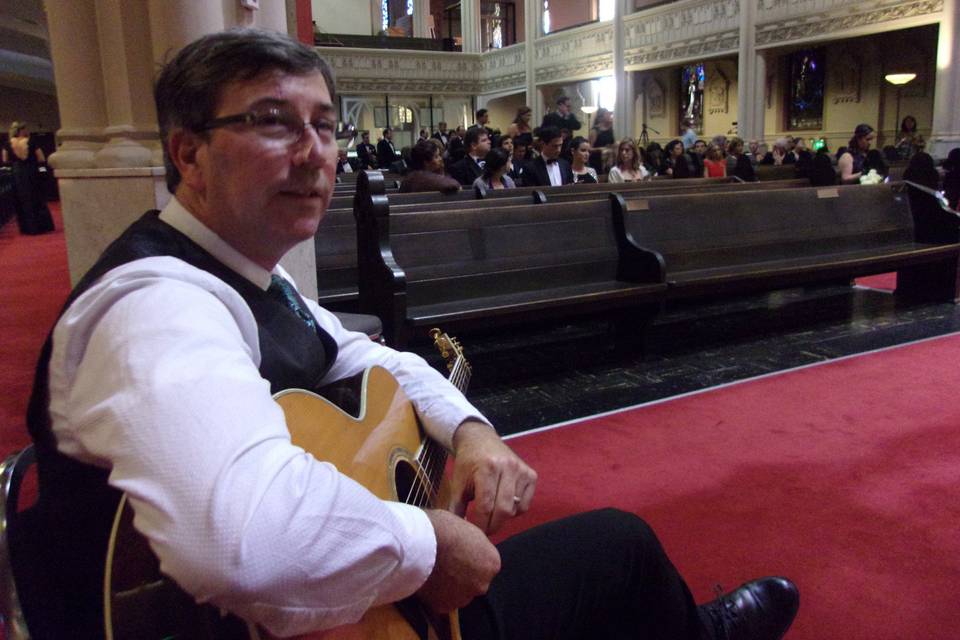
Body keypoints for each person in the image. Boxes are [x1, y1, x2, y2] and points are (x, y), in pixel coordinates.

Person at [24, 29, 800, 640]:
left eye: (326, 126)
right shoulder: (155, 305)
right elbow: (244, 546)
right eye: (271, 122)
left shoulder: (251, 270)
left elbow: (360, 352)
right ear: (188, 152)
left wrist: (470, 433)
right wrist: (426, 544)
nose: (314, 153)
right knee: (621, 551)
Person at [1, 121, 54, 235]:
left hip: (17, 174)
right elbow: (41, 158)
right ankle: (41, 226)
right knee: (36, 198)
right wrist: (43, 172)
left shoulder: (7, 144)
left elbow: (5, 160)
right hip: (31, 172)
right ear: (22, 130)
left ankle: (27, 228)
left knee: (22, 200)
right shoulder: (32, 142)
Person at [588, 108, 615, 174]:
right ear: (601, 117)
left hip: (608, 160)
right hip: (597, 161)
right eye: (607, 114)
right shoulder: (595, 131)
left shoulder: (610, 129)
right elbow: (588, 149)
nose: (610, 116)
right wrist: (600, 149)